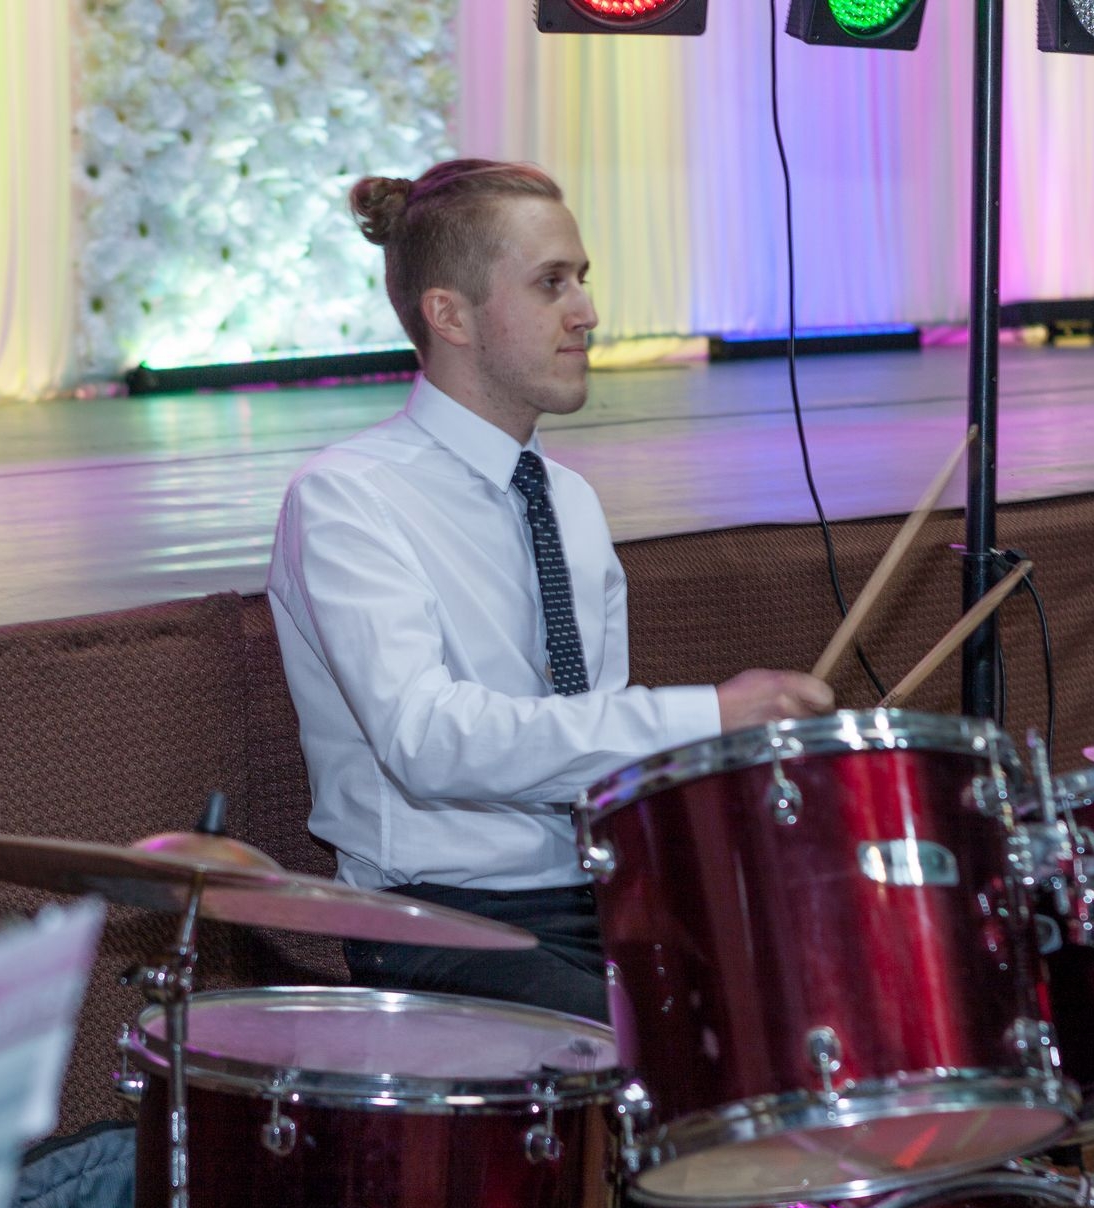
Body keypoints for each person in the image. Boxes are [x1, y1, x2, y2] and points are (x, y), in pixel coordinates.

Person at [268, 159, 833, 1024]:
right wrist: (705, 714)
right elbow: (427, 740)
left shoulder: (567, 497)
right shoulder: (348, 496)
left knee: (815, 1006)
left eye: (582, 279)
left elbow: (588, 741)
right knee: (674, 1056)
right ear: (450, 315)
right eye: (551, 283)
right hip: (443, 921)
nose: (588, 312)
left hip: (598, 892)